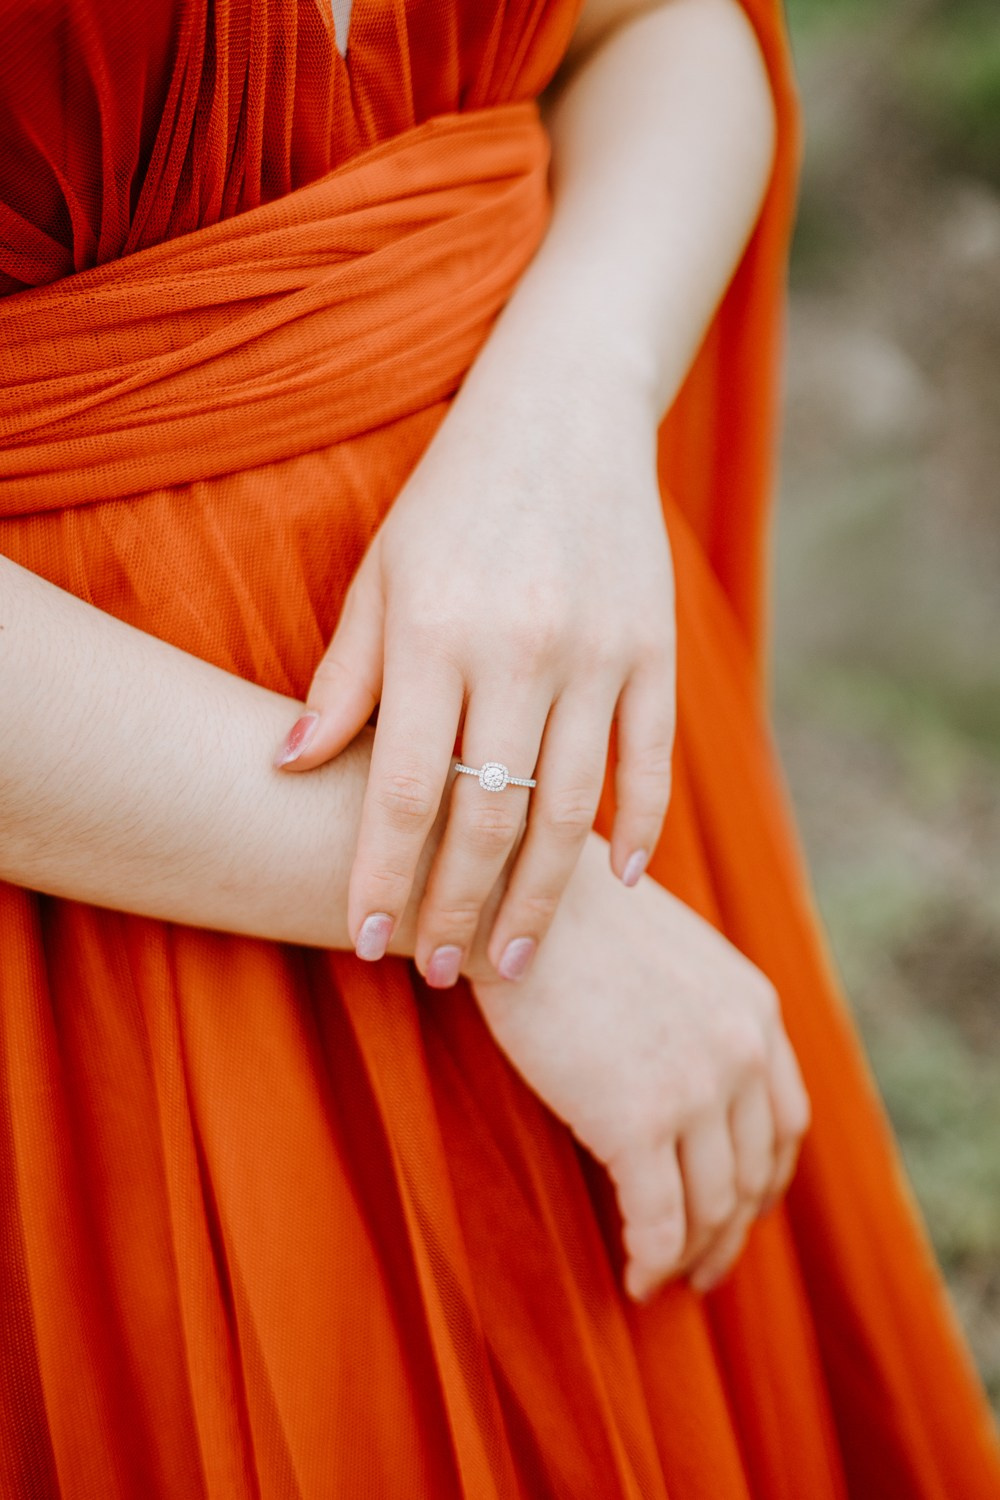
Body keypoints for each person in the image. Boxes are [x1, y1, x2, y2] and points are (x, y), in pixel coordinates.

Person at [0, 0, 997, 1494]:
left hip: (576, 731)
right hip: (115, 959)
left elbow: (664, 25)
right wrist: (524, 906)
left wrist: (569, 409)